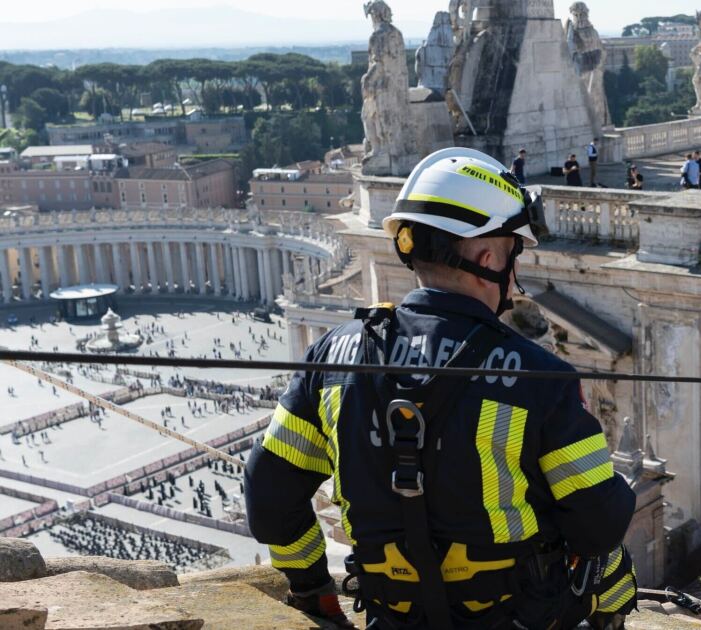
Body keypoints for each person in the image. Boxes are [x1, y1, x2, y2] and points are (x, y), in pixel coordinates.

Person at [244, 147, 637, 630]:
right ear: (490, 257)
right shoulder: (541, 377)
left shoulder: (334, 354)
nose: (513, 279)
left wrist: (313, 589)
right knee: (609, 560)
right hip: (521, 621)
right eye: (514, 256)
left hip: (392, 618)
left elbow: (268, 492)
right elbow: (599, 525)